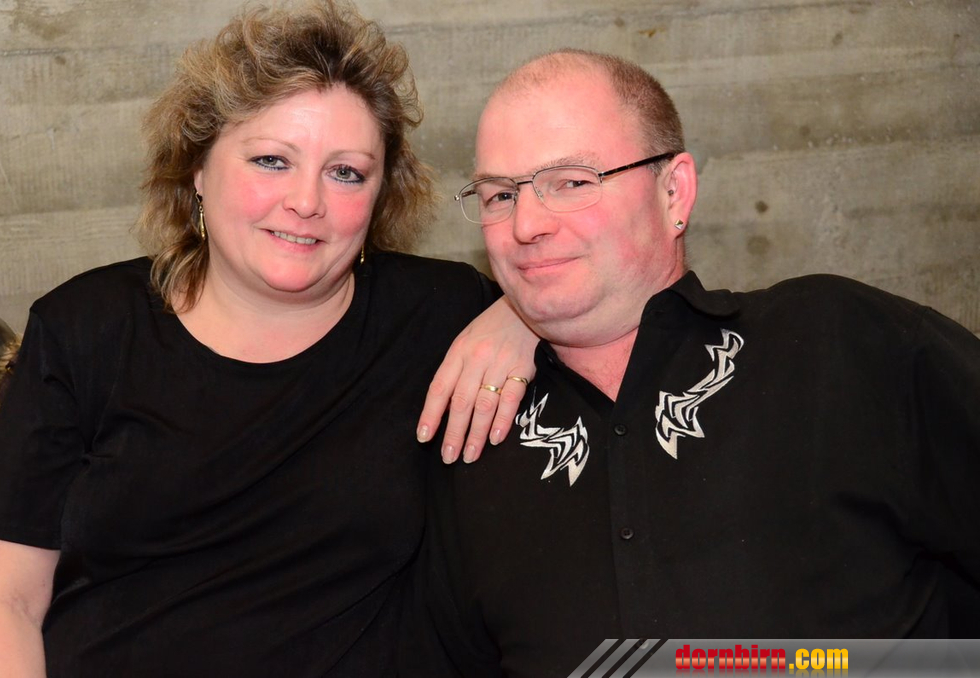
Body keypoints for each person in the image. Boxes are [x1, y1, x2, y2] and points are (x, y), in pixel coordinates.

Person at [0, 2, 538, 675]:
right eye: (271, 160)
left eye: (346, 172)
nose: (307, 202)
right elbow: (2, 600)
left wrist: (526, 318)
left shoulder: (441, 315)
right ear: (197, 170)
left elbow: (612, 303)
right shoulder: (85, 328)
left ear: (381, 194)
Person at [401, 49, 980, 677]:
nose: (526, 224)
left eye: (571, 182)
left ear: (674, 190)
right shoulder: (475, 443)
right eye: (499, 195)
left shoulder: (841, 343)